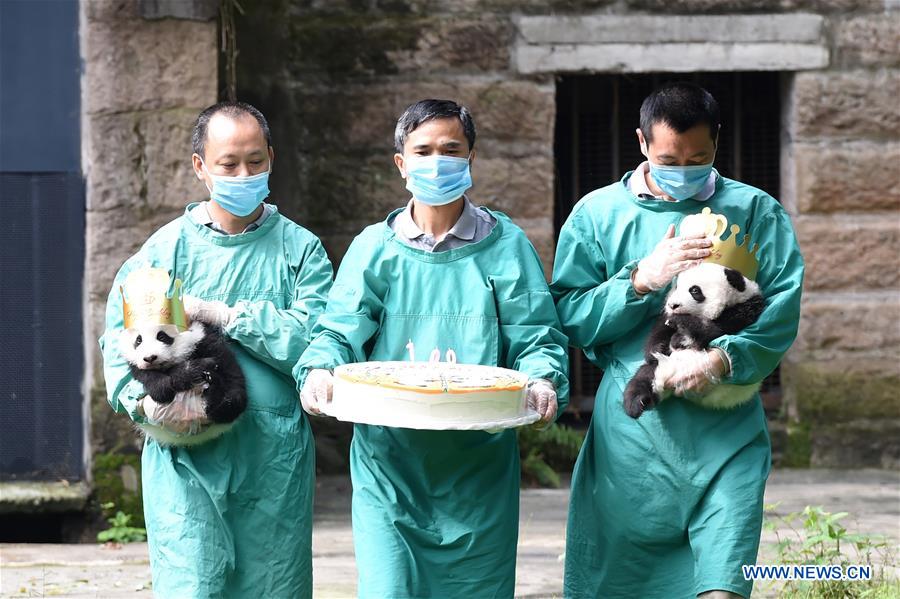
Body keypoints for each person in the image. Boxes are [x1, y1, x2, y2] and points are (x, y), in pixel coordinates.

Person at [294, 99, 569, 598]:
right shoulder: (374, 248)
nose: (437, 161)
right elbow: (338, 331)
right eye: (422, 150)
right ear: (401, 162)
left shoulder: (506, 247)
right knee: (389, 587)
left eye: (451, 149)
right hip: (390, 464)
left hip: (479, 463)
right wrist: (318, 370)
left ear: (471, 159)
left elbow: (536, 336)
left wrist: (544, 379)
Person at [552, 83, 804, 598]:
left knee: (723, 576)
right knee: (621, 582)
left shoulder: (755, 211)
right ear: (642, 142)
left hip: (725, 430)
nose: (683, 169)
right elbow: (570, 317)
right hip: (635, 433)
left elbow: (782, 308)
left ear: (717, 142)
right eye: (669, 158)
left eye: (698, 157)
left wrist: (721, 359)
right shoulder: (598, 214)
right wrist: (640, 280)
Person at [99, 101, 333, 598]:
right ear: (200, 166)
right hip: (185, 457)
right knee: (191, 581)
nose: (243, 173)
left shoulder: (301, 250)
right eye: (229, 164)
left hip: (272, 454)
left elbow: (317, 337)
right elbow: (117, 338)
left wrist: (232, 317)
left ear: (271, 157)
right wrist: (139, 401)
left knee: (273, 583)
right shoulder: (164, 252)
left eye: (255, 161)